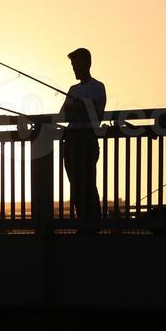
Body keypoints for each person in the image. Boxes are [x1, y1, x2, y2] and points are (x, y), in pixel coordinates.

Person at [60, 48, 107, 228]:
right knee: (75, 183)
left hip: (87, 139)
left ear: (87, 63)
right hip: (71, 140)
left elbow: (95, 115)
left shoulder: (97, 87)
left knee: (87, 181)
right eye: (72, 65)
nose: (74, 69)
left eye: (76, 64)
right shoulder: (73, 89)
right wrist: (80, 109)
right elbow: (64, 114)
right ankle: (82, 222)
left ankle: (93, 222)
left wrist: (79, 109)